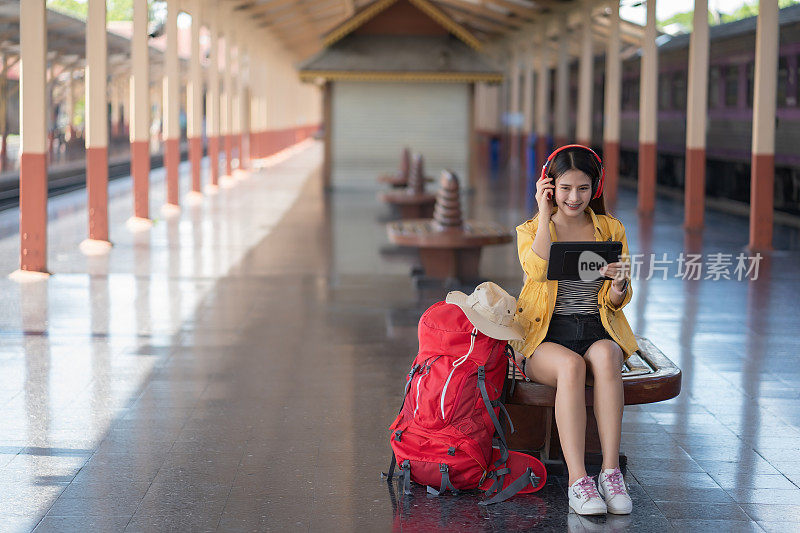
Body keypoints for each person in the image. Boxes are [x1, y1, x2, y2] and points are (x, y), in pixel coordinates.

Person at [511, 145, 639, 516]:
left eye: (583, 188)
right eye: (565, 188)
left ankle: (611, 473)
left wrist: (618, 286)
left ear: (595, 189)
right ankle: (578, 480)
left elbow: (617, 302)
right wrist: (543, 211)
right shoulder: (533, 229)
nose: (574, 197)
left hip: (596, 327)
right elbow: (536, 271)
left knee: (609, 354)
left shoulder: (611, 229)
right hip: (545, 337)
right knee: (571, 367)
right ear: (550, 186)